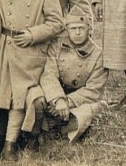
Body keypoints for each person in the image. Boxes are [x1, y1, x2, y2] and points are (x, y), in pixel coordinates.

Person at [0, 0, 65, 161]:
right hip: (6, 50)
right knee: (5, 97)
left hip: (32, 53)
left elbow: (57, 23)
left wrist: (33, 34)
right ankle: (7, 140)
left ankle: (10, 144)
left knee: (21, 98)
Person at [27, 10, 105, 144]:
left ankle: (57, 133)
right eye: (73, 28)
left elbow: (94, 90)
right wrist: (57, 99)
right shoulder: (56, 45)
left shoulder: (98, 54)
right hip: (56, 98)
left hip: (79, 101)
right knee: (35, 97)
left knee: (87, 112)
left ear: (89, 29)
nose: (78, 32)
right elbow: (48, 74)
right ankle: (33, 136)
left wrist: (67, 101)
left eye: (82, 28)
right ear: (67, 29)